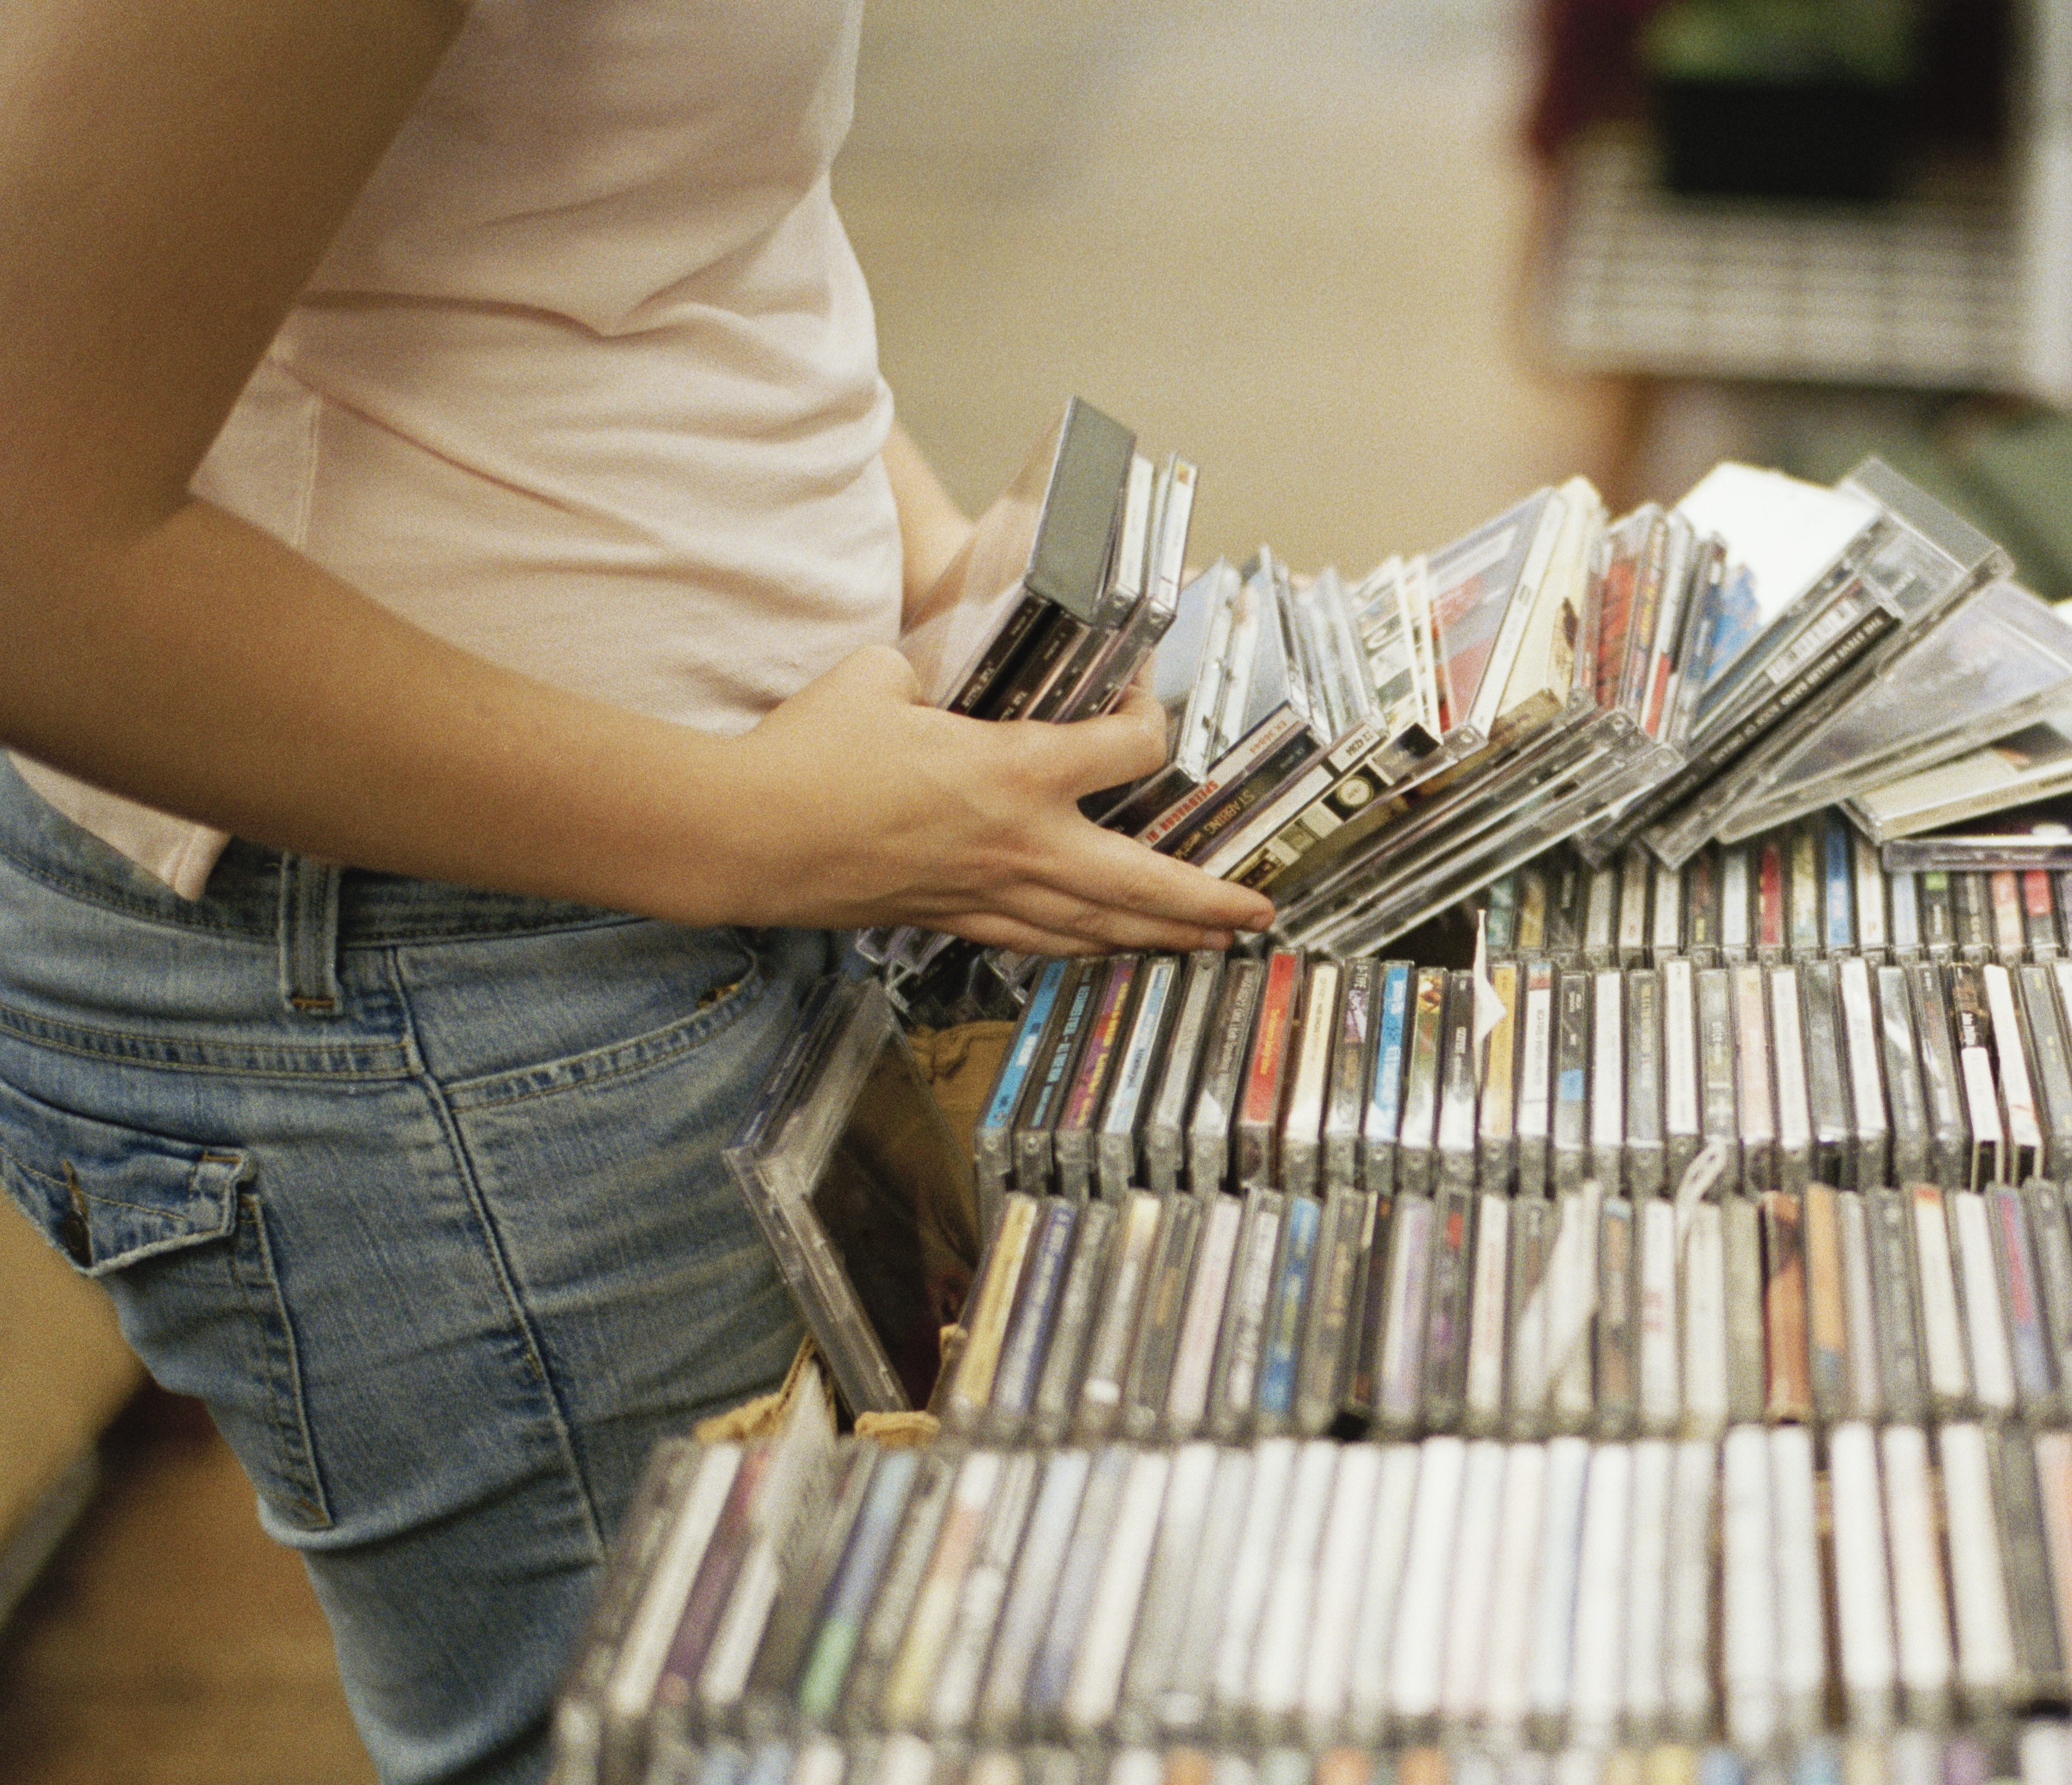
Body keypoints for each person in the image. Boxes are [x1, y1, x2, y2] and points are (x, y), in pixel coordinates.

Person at [0, 4, 1272, 1782]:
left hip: (667, 867)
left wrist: (907, 569)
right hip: (444, 967)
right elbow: (27, 551)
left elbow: (645, 225)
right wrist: (738, 828)